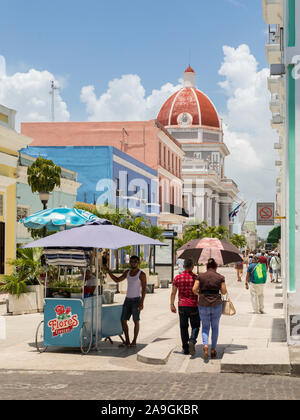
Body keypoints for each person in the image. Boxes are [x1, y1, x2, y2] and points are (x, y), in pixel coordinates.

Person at [105, 255, 146, 348]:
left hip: (136, 300)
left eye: (135, 261)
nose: (133, 263)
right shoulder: (127, 272)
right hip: (127, 300)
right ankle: (127, 340)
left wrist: (142, 302)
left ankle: (134, 341)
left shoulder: (141, 274)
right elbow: (117, 280)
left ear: (138, 263)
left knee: (136, 321)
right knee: (123, 320)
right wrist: (108, 271)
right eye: (131, 261)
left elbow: (144, 289)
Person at [192, 258, 227, 360]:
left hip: (203, 304)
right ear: (216, 267)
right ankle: (213, 349)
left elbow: (194, 289)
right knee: (215, 327)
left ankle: (206, 345)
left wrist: (200, 294)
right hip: (216, 304)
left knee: (205, 327)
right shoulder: (220, 277)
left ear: (207, 267)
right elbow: (224, 291)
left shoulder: (200, 276)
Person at [170, 258, 200, 356]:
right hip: (193, 306)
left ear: (183, 267)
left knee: (183, 327)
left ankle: (185, 348)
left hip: (182, 306)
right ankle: (192, 340)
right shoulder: (196, 278)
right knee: (195, 325)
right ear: (192, 267)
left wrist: (172, 304)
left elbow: (173, 293)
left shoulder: (178, 278)